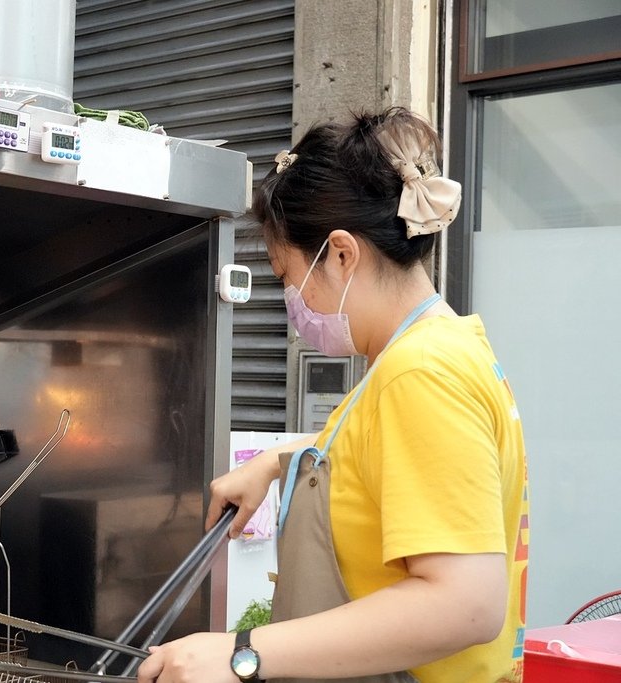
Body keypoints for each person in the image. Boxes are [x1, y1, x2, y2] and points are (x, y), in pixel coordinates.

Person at [136, 108, 529, 683]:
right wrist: (276, 462)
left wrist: (241, 653)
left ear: (341, 254)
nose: (291, 299)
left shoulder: (421, 372)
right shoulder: (437, 349)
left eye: (286, 276)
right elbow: (386, 459)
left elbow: (465, 605)